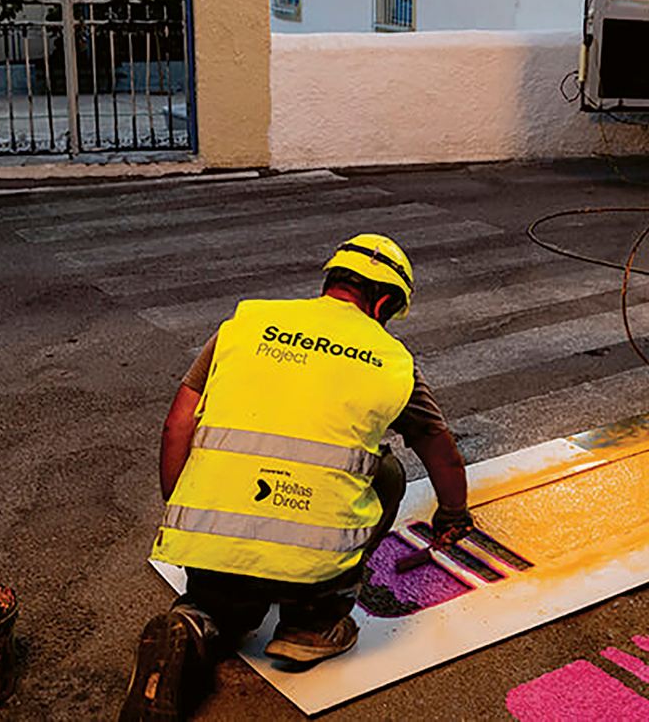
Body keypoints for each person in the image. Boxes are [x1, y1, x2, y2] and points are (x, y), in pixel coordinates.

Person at [120, 234, 472, 721]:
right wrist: (453, 514)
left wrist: (187, 514)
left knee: (221, 609)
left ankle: (195, 623)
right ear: (384, 302)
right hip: (312, 565)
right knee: (387, 471)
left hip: (214, 548)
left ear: (332, 281)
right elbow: (441, 451)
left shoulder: (246, 326)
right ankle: (312, 623)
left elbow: (177, 424)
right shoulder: (391, 361)